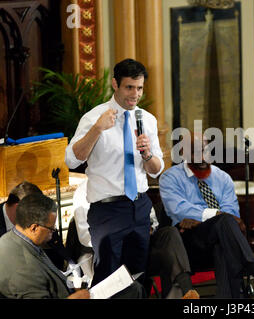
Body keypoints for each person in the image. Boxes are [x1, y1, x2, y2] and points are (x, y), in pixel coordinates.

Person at [159, 132, 254, 298]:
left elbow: (232, 214)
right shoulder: (170, 178)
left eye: (204, 149)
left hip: (220, 238)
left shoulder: (222, 178)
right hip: (189, 244)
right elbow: (179, 209)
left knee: (223, 236)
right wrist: (216, 215)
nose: (201, 155)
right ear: (182, 152)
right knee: (224, 226)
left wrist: (205, 217)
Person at [65, 59, 164, 285]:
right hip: (107, 211)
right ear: (115, 84)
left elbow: (157, 171)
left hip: (139, 207)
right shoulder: (93, 118)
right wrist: (97, 129)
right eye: (130, 87)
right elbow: (72, 159)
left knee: (139, 277)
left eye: (139, 88)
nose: (136, 94)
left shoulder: (147, 120)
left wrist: (148, 154)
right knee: (108, 279)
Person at [70, 178, 199, 299]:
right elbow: (85, 237)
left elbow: (152, 219)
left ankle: (186, 289)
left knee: (169, 234)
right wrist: (122, 233)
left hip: (141, 245)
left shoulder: (133, 182)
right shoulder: (84, 191)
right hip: (107, 252)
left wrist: (148, 229)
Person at [0, 193, 145, 299]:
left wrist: (73, 288)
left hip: (69, 292)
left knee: (131, 288)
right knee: (133, 291)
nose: (52, 233)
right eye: (51, 229)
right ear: (34, 228)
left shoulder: (8, 239)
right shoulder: (24, 268)